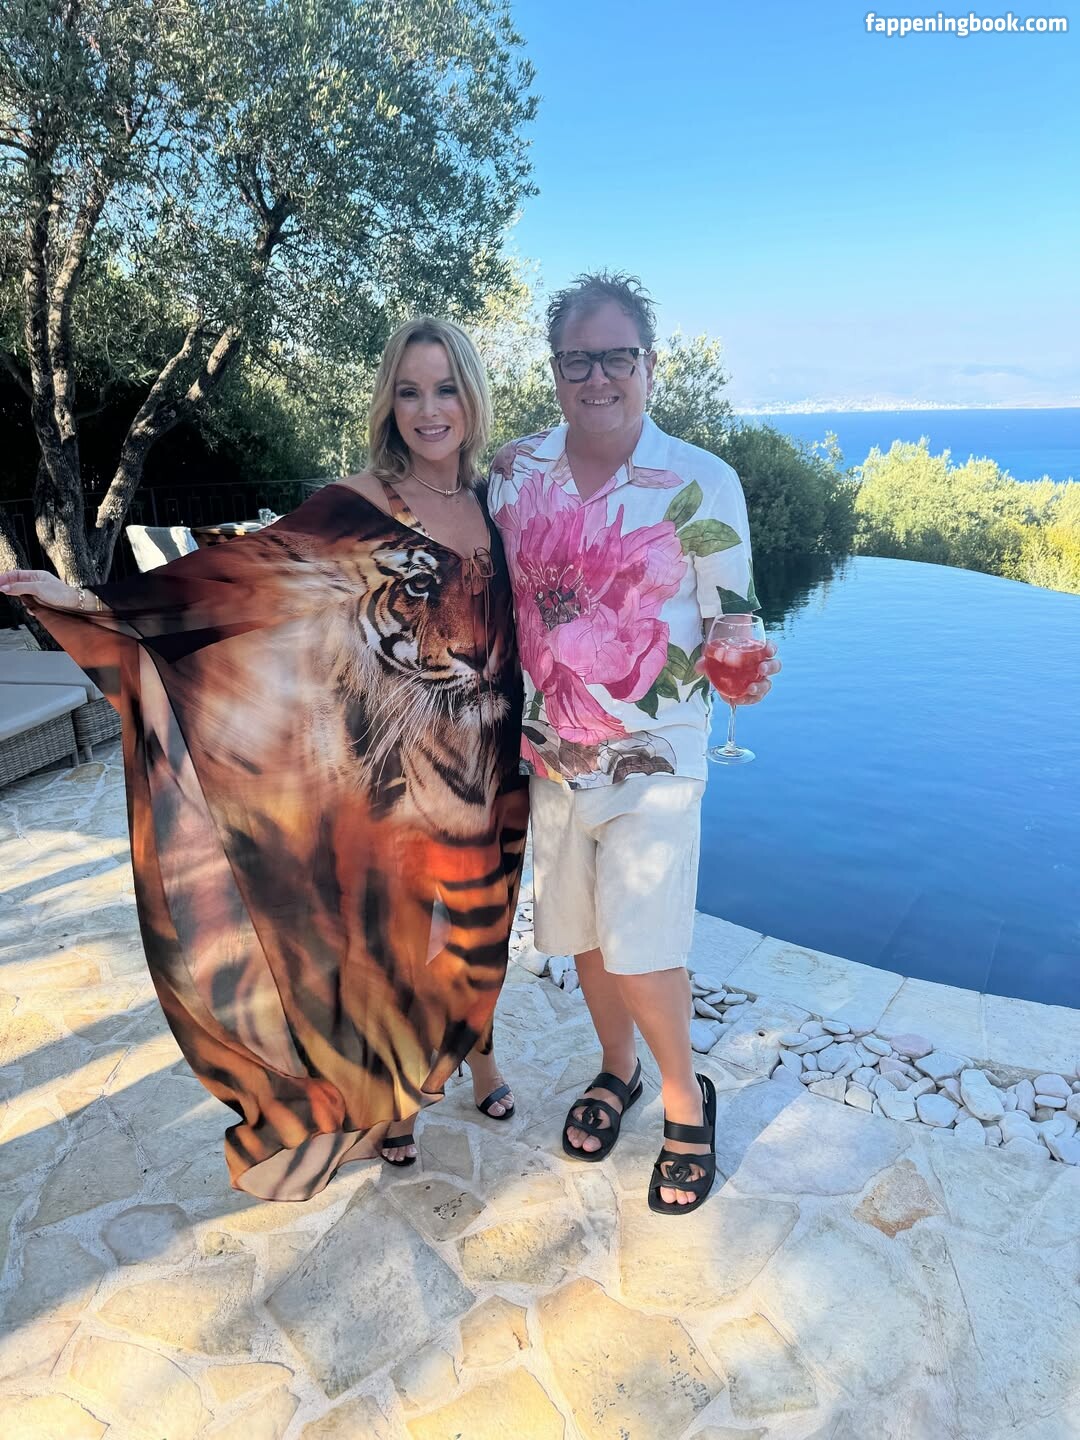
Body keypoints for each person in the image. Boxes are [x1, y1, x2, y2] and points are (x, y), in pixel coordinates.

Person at [1, 317, 528, 1198]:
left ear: (471, 396)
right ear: (388, 404)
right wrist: (91, 602)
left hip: (494, 757)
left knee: (486, 929)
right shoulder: (361, 502)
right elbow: (244, 577)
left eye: (444, 389)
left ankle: (479, 1060)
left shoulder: (498, 498)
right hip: (401, 770)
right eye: (408, 391)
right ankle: (400, 1098)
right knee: (412, 942)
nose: (428, 409)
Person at [488, 273, 780, 1216]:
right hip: (552, 750)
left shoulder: (703, 481)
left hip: (659, 752)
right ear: (556, 370)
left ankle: (685, 1099)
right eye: (579, 360)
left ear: (649, 366)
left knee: (642, 942)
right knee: (580, 935)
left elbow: (732, 620)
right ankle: (617, 1068)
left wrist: (746, 672)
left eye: (617, 357)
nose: (598, 377)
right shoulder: (514, 473)